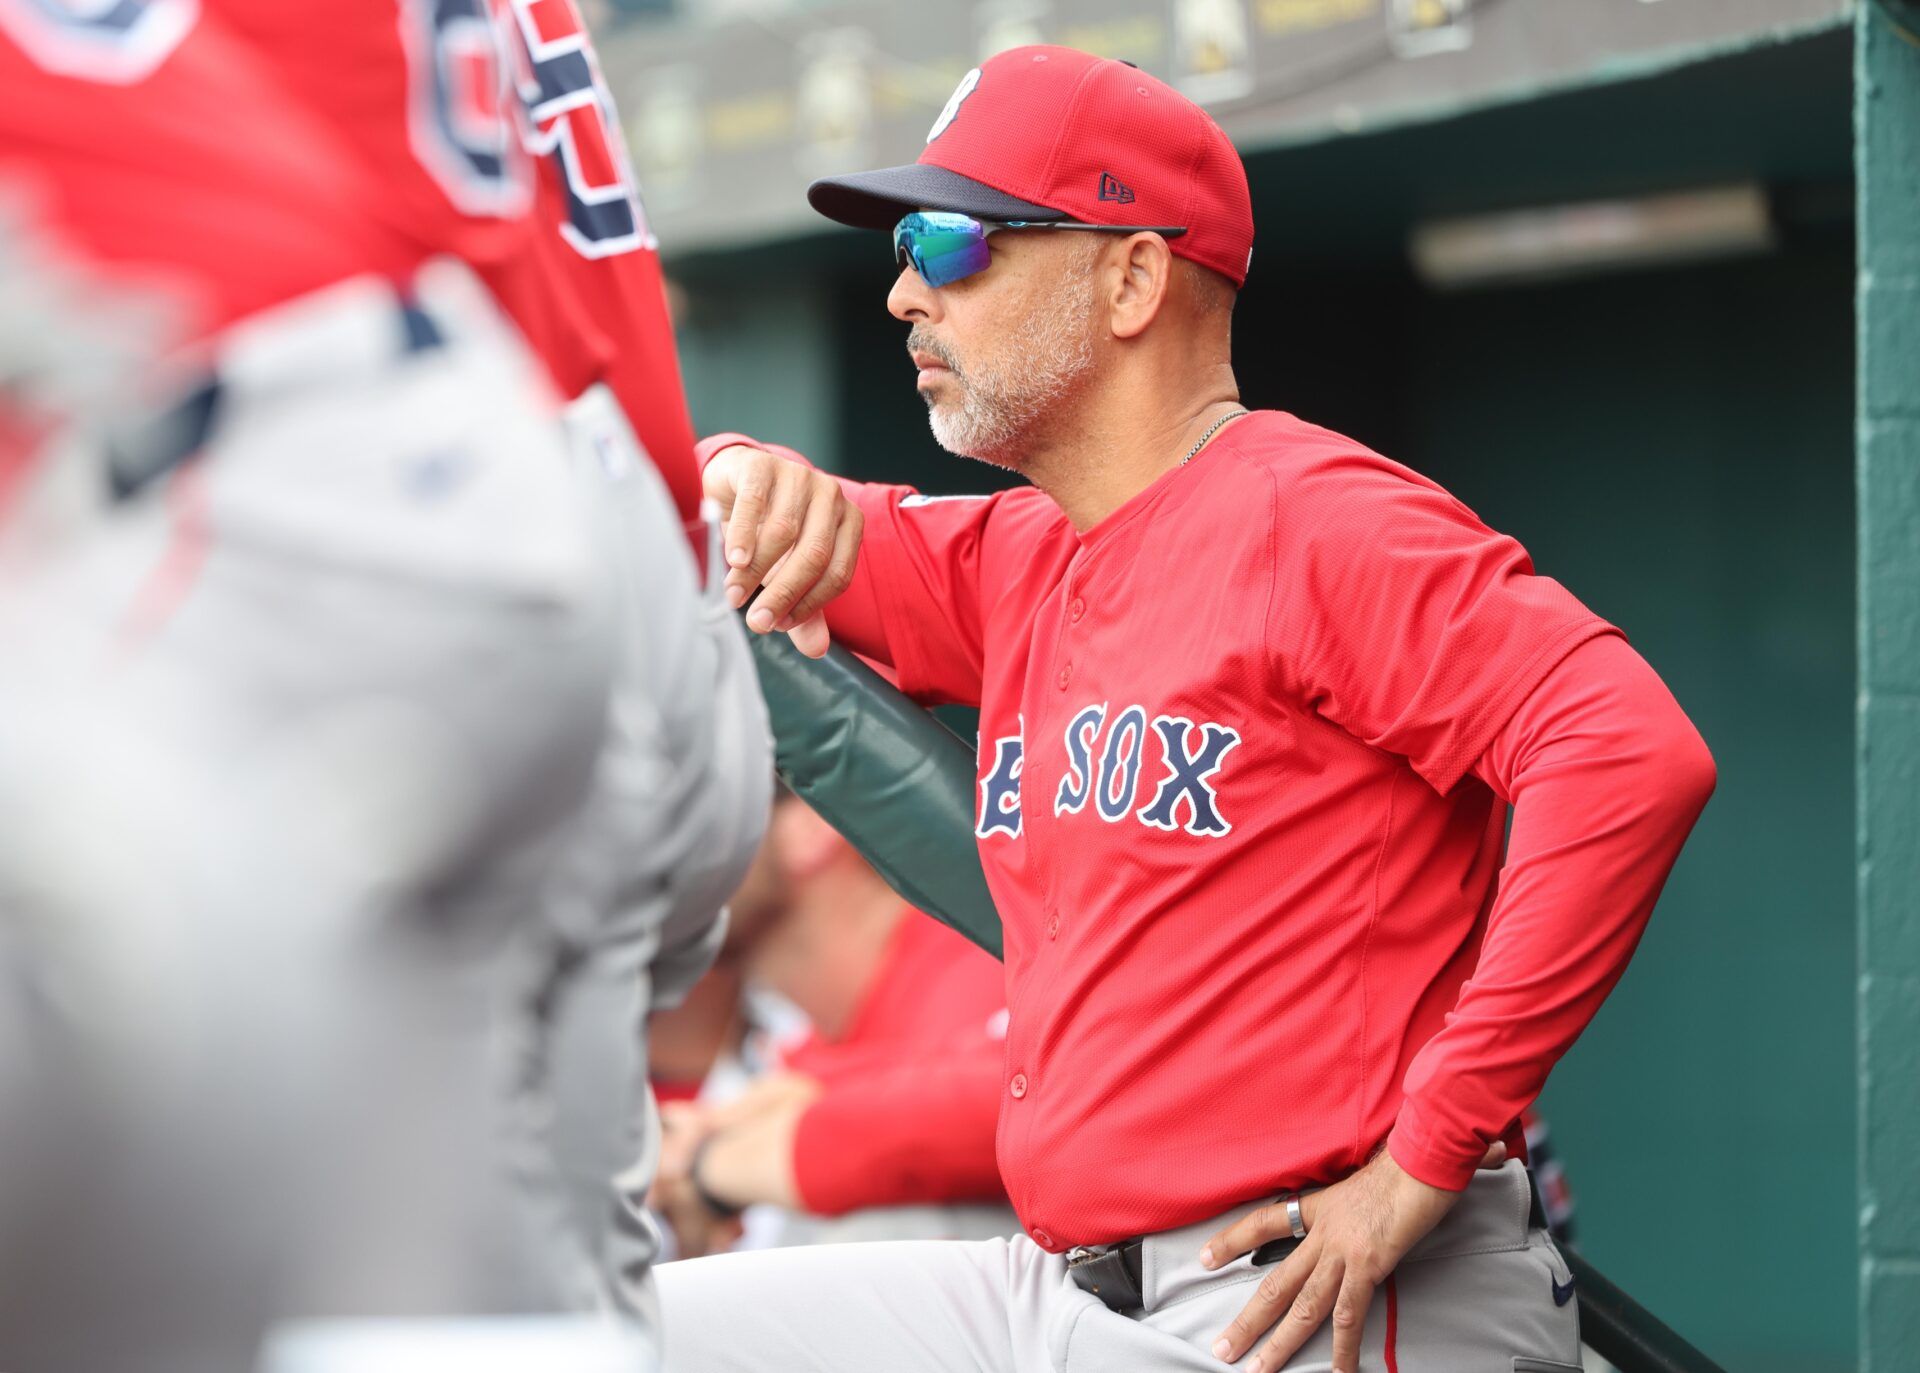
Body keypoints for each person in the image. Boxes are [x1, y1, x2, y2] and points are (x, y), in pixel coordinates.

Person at [659, 44, 1716, 1373]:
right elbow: (762, 514)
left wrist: (1433, 1145)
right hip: (1060, 1282)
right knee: (595, 1339)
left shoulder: (1319, 518)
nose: (904, 289)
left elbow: (1627, 751)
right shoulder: (1024, 553)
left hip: (1299, 1294)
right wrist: (744, 465)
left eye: (951, 241)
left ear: (1134, 278)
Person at [652, 791, 1014, 1253]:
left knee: (885, 1229)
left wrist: (713, 1166)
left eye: (683, 823)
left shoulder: (981, 947)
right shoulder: (796, 1062)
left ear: (811, 826)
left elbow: (1009, 1106)